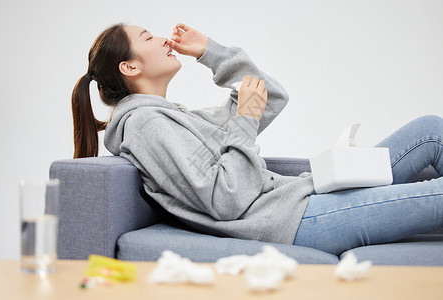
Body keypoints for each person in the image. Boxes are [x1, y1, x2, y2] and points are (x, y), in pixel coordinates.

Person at [71, 23, 443, 256]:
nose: (163, 39)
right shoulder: (144, 126)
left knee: (430, 130)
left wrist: (212, 53)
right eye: (149, 37)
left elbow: (271, 96)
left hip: (303, 196)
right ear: (130, 67)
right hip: (299, 220)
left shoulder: (173, 117)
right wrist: (244, 118)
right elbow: (225, 198)